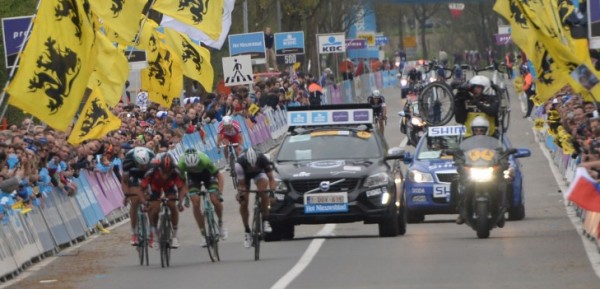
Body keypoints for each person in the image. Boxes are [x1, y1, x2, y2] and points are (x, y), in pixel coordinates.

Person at [139, 153, 188, 248]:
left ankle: (174, 236)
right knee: (155, 209)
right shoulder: (152, 170)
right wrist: (144, 202)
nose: (166, 173)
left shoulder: (175, 170)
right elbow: (141, 189)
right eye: (163, 171)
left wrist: (180, 202)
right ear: (159, 167)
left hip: (169, 186)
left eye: (168, 171)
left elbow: (181, 188)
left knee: (172, 205)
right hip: (155, 187)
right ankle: (156, 235)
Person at [178, 148, 227, 242]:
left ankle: (220, 223)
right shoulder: (181, 165)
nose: (194, 168)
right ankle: (203, 233)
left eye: (195, 166)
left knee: (215, 200)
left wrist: (220, 193)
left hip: (207, 174)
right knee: (195, 203)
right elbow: (182, 183)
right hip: (193, 177)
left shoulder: (205, 160)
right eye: (191, 167)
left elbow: (219, 176)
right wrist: (184, 197)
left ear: (198, 161)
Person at [235, 147, 276, 248]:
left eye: (254, 165)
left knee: (263, 191)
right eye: (251, 166)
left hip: (260, 173)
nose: (253, 167)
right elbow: (242, 184)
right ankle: (247, 231)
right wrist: (241, 195)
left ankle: (266, 220)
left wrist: (272, 193)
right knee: (244, 201)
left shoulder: (262, 159)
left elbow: (271, 178)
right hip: (245, 176)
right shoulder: (240, 163)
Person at [121, 146, 155, 246]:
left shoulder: (153, 160)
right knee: (134, 200)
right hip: (134, 175)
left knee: (150, 202)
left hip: (148, 176)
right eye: (141, 165)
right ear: (136, 161)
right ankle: (134, 233)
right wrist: (126, 195)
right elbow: (125, 181)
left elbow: (156, 182)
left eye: (145, 165)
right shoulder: (128, 161)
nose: (143, 167)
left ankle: (151, 233)